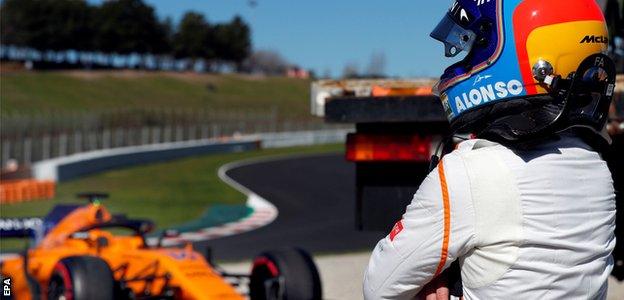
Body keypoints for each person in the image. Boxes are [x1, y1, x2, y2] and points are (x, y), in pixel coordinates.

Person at [363, 0, 618, 299]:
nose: (463, 63)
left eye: (476, 47)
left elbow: (379, 288)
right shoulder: (597, 167)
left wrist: (443, 277)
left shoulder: (469, 172)